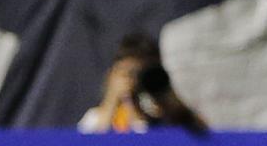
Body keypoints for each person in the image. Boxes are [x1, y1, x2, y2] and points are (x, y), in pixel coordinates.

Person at [78, 34, 209, 134]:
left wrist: (167, 96)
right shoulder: (96, 117)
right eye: (128, 73)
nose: (135, 80)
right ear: (112, 75)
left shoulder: (162, 116)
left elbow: (201, 135)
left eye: (141, 74)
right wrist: (112, 100)